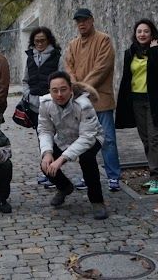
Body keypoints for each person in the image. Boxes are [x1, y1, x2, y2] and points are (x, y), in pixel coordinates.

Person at [115, 19, 158, 195]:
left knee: (156, 137)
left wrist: (155, 50)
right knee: (146, 139)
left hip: (155, 100)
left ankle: (156, 177)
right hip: (136, 101)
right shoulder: (130, 53)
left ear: (152, 34)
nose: (142, 34)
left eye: (146, 31)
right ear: (135, 34)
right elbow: (127, 77)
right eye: (139, 31)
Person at [64, 8, 122, 192]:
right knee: (84, 141)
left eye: (84, 20)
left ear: (92, 20)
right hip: (80, 101)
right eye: (78, 21)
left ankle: (113, 176)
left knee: (108, 140)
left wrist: (82, 88)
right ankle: (88, 175)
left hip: (100, 98)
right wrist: (73, 85)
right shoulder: (73, 44)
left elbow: (102, 67)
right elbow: (68, 67)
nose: (81, 24)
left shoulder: (103, 40)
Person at [37, 72, 108, 220]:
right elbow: (45, 130)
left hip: (91, 138)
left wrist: (62, 158)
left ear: (70, 89)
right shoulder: (45, 103)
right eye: (54, 90)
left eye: (63, 89)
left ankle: (97, 201)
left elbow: (87, 137)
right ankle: (64, 187)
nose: (59, 94)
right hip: (63, 139)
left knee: (87, 159)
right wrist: (47, 152)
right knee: (46, 163)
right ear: (49, 91)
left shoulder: (84, 105)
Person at [20, 26, 63, 186]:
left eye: (42, 40)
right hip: (34, 106)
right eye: (36, 41)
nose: (39, 43)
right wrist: (28, 95)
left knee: (56, 139)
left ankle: (55, 171)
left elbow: (62, 77)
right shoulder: (30, 57)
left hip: (53, 105)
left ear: (48, 40)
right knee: (42, 139)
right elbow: (25, 80)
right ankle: (48, 171)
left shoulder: (56, 56)